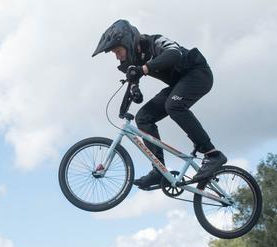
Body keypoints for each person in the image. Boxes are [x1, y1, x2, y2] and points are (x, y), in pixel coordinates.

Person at [92, 19, 227, 188]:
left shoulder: (154, 42)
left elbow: (174, 54)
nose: (117, 56)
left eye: (118, 51)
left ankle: (212, 154)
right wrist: (133, 92)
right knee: (143, 117)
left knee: (173, 106)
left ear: (128, 42)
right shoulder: (135, 62)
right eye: (114, 54)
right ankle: (159, 170)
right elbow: (133, 83)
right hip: (178, 84)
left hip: (198, 74)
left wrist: (145, 69)